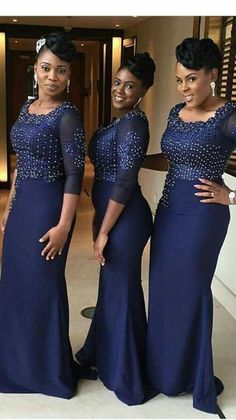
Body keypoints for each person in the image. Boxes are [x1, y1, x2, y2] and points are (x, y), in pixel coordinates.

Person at [144, 37, 236, 414]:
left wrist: (231, 196)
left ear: (213, 76)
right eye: (180, 79)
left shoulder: (229, 115)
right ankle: (165, 371)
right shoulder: (175, 113)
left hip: (202, 218)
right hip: (168, 212)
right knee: (164, 291)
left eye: (192, 79)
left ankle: (191, 375)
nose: (184, 88)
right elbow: (173, 159)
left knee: (192, 293)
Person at [0, 31, 91, 399]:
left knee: (43, 288)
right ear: (36, 68)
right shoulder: (27, 108)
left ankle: (46, 371)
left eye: (61, 71)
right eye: (46, 68)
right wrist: (8, 207)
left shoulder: (67, 115)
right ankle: (16, 364)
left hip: (50, 211)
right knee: (17, 287)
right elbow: (21, 162)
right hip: (22, 208)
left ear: (69, 77)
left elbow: (74, 173)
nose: (52, 77)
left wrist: (64, 226)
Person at [76, 52, 158, 405]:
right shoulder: (115, 123)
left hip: (124, 218)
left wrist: (105, 230)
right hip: (108, 213)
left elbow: (125, 181)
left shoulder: (135, 124)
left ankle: (127, 371)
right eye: (117, 83)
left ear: (143, 91)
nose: (120, 90)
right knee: (112, 286)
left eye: (131, 86)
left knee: (122, 287)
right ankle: (106, 355)